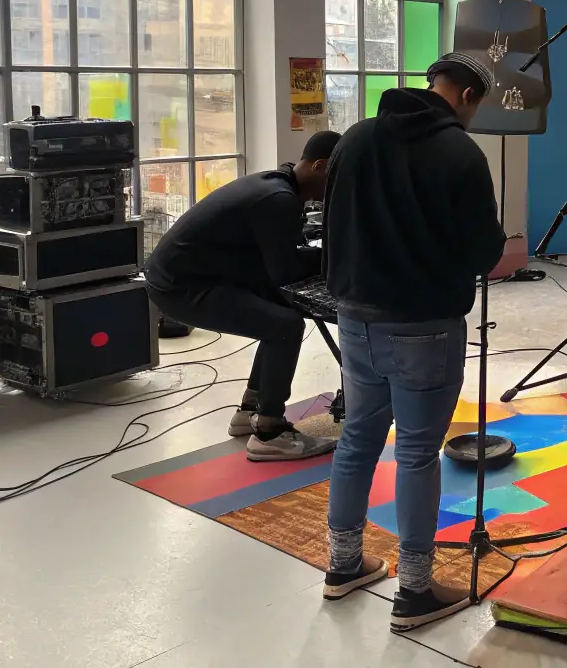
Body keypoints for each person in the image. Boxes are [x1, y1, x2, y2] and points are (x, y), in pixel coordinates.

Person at [321, 53, 506, 631]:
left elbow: (330, 222)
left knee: (357, 439)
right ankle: (415, 592)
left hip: (355, 318)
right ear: (469, 96)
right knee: (418, 455)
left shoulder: (355, 138)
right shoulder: (461, 153)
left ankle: (343, 566)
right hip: (425, 326)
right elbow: (484, 253)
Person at [144, 131, 340, 462]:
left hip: (192, 275)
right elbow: (286, 272)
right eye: (338, 178)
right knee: (285, 326)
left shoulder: (276, 183)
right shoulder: (279, 200)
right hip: (181, 287)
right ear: (320, 166)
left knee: (278, 313)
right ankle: (269, 432)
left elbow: (275, 261)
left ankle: (250, 410)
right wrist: (336, 256)